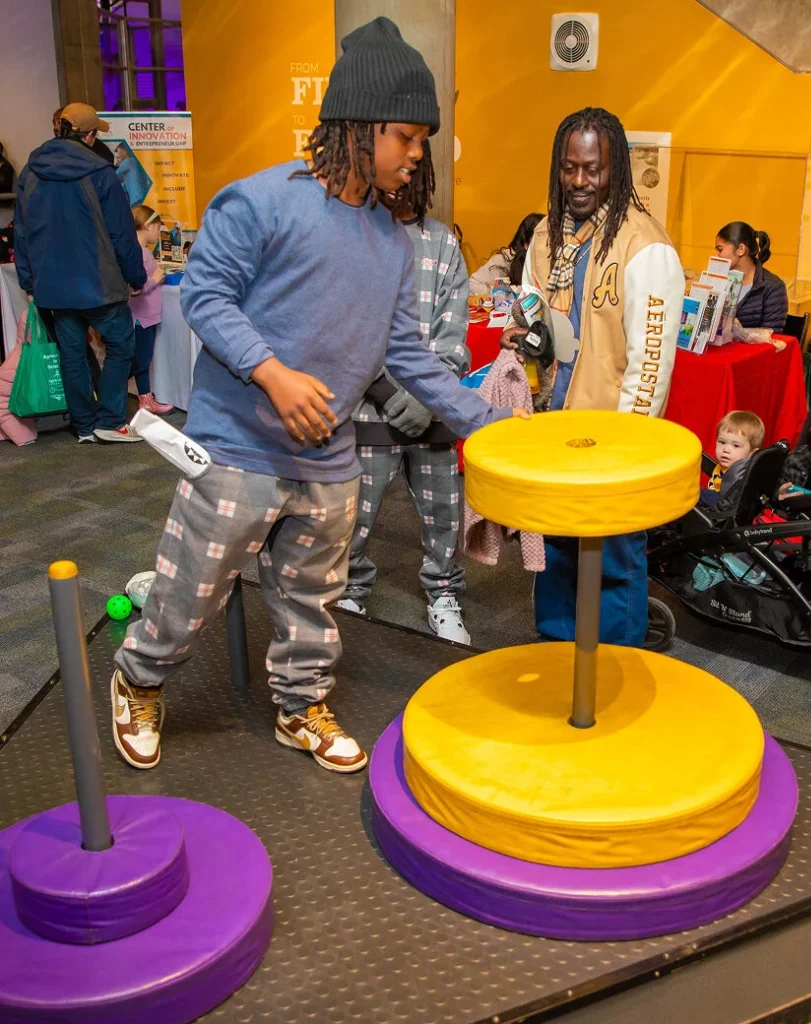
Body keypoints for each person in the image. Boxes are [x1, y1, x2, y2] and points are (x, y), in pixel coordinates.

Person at [108, 17, 527, 775]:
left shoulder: (393, 242)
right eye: (406, 135)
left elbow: (407, 354)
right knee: (190, 589)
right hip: (238, 447)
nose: (417, 153)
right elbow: (204, 295)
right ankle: (138, 678)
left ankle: (299, 707)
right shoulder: (260, 202)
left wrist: (490, 423)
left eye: (423, 139)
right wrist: (271, 371)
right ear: (360, 125)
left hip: (329, 458)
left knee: (312, 601)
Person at [504, 107, 685, 647]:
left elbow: (650, 366)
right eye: (569, 168)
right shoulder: (545, 234)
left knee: (613, 561)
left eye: (593, 169)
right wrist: (526, 330)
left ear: (616, 169)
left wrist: (624, 455)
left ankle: (614, 668)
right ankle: (558, 655)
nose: (579, 181)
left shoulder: (644, 245)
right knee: (556, 551)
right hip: (552, 428)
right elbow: (531, 305)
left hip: (609, 442)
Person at [338, 142, 473, 643]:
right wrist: (391, 395)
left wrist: (425, 397)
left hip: (432, 415)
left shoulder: (443, 244)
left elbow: (453, 337)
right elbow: (347, 329)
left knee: (445, 513)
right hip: (369, 410)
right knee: (355, 513)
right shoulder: (354, 237)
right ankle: (349, 589)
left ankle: (443, 592)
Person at [15, 102, 146, 442]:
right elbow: (121, 234)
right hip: (99, 283)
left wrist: (29, 282)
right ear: (88, 136)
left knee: (71, 356)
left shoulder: (29, 172)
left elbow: (22, 233)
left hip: (53, 288)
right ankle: (110, 422)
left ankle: (85, 426)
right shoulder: (101, 173)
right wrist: (136, 276)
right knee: (120, 346)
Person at [129, 205, 173, 415]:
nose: (158, 233)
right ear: (147, 226)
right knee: (141, 360)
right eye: (157, 227)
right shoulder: (139, 253)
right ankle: (110, 387)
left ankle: (145, 399)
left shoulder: (142, 251)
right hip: (142, 316)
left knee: (143, 360)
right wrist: (155, 279)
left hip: (145, 316)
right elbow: (134, 288)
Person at [714, 221, 789, 335]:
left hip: (752, 347)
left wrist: (737, 333)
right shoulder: (720, 280)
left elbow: (772, 336)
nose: (716, 255)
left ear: (740, 249)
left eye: (720, 250)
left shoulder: (772, 287)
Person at [468, 212, 543, 294]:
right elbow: (472, 285)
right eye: (541, 237)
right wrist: (505, 293)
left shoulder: (551, 262)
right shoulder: (505, 260)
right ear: (526, 243)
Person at [706, 410, 764, 502]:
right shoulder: (726, 466)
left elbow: (722, 501)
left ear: (752, 453)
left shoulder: (739, 478)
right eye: (722, 442)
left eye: (736, 446)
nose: (726, 449)